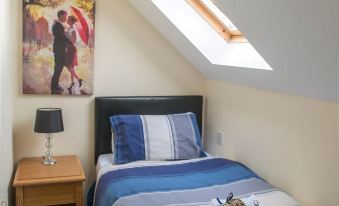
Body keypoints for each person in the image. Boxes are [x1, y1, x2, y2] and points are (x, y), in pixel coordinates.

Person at [51, 10, 69, 93]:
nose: (66, 17)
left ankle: (55, 85)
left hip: (61, 49)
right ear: (61, 16)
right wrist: (67, 37)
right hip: (59, 50)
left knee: (59, 68)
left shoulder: (59, 25)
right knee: (58, 68)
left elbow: (62, 36)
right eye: (65, 15)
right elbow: (60, 37)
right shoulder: (56, 25)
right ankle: (54, 86)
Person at [64, 15, 83, 92]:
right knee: (71, 66)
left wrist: (67, 35)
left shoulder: (73, 30)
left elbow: (74, 41)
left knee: (68, 66)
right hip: (68, 49)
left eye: (68, 19)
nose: (67, 20)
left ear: (71, 21)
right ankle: (72, 83)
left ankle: (79, 79)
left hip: (71, 49)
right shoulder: (69, 29)